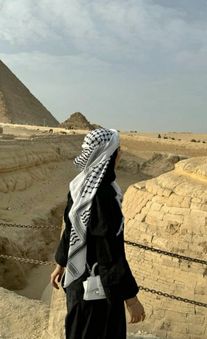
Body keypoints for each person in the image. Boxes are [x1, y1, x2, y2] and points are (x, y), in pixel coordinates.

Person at [50, 128, 145, 339]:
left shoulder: (78, 187)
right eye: (118, 150)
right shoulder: (103, 196)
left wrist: (61, 264)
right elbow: (110, 254)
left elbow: (70, 230)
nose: (121, 154)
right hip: (97, 292)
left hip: (76, 284)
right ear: (109, 155)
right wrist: (131, 298)